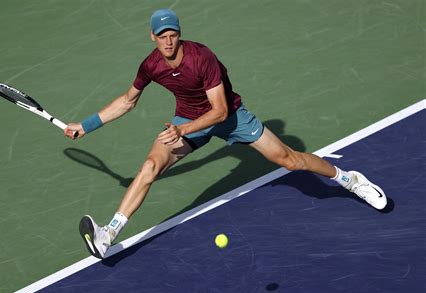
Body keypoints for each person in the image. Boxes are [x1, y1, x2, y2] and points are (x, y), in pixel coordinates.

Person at [65, 9, 387, 259]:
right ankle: (109, 233)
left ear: (179, 34)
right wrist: (86, 124)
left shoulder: (201, 57)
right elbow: (127, 101)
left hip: (230, 118)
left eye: (172, 34)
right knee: (150, 167)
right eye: (161, 35)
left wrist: (182, 129)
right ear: (152, 37)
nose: (167, 41)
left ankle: (350, 180)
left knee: (289, 160)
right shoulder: (151, 65)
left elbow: (219, 111)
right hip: (188, 120)